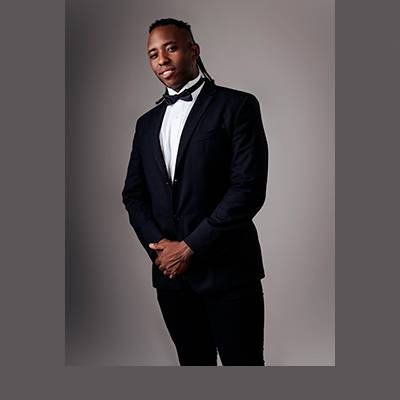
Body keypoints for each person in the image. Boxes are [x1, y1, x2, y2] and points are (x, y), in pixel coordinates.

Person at [122, 18, 269, 366]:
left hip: (229, 272)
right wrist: (161, 249)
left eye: (171, 48)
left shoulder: (238, 106)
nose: (162, 59)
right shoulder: (146, 124)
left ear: (193, 50)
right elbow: (134, 195)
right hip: (172, 279)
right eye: (153, 54)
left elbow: (248, 189)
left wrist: (189, 248)